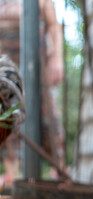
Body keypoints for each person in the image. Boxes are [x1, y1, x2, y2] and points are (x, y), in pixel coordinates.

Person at [0, 0, 65, 185]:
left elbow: (53, 26)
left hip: (39, 65)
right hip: (8, 68)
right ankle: (13, 178)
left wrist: (57, 58)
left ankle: (59, 174)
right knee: (9, 117)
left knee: (49, 118)